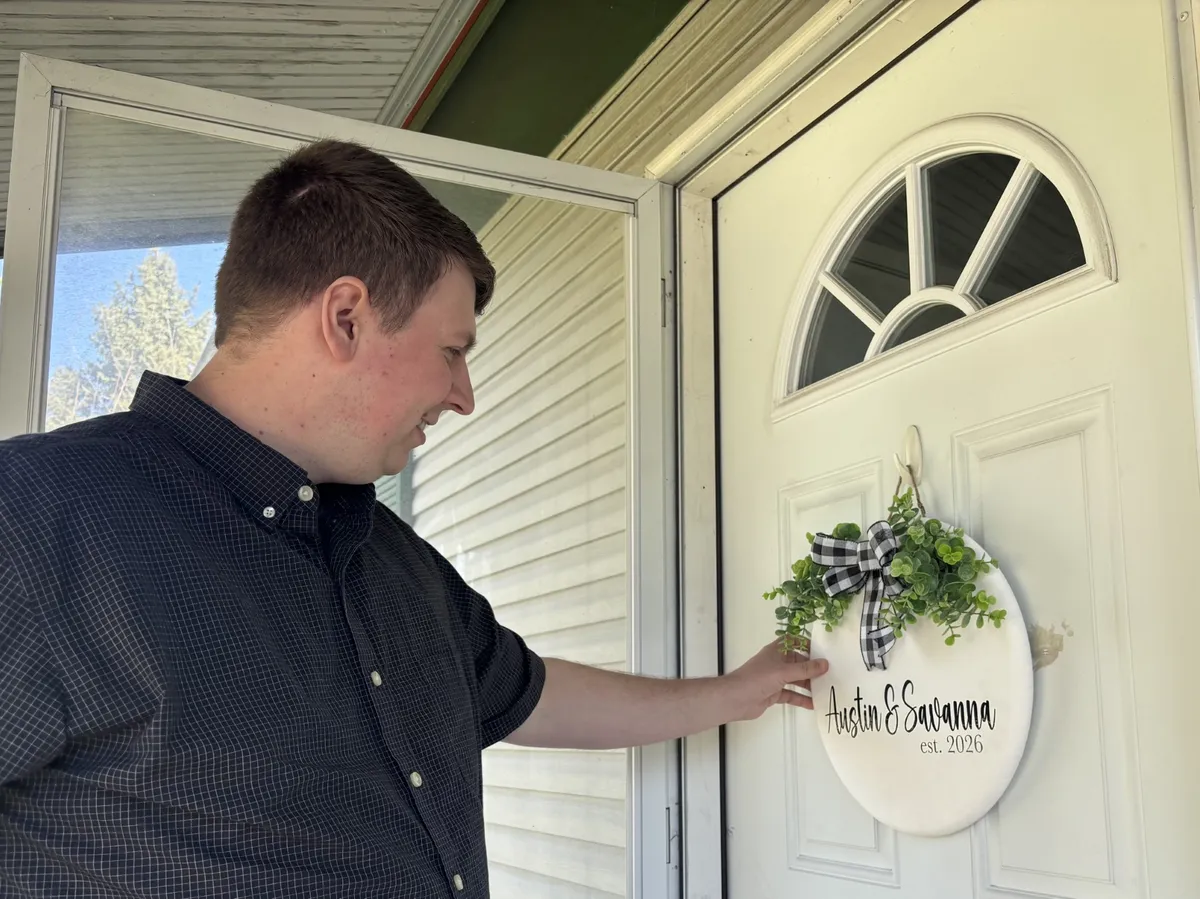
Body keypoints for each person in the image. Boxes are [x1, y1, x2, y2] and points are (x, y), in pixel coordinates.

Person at [0, 139, 827, 897]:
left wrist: (730, 694)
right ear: (346, 316)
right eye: (452, 351)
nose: (462, 397)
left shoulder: (392, 558)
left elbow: (527, 695)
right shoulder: (37, 518)